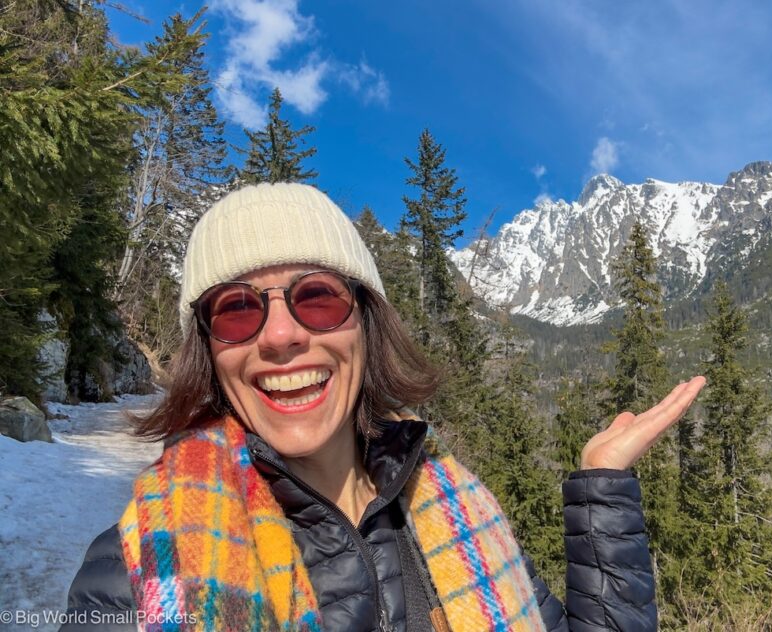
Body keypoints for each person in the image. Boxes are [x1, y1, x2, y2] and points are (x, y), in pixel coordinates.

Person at [60, 183, 705, 632]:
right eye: (236, 308)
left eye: (317, 298)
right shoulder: (134, 571)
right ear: (208, 349)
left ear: (366, 326)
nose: (282, 336)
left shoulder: (462, 515)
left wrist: (601, 487)